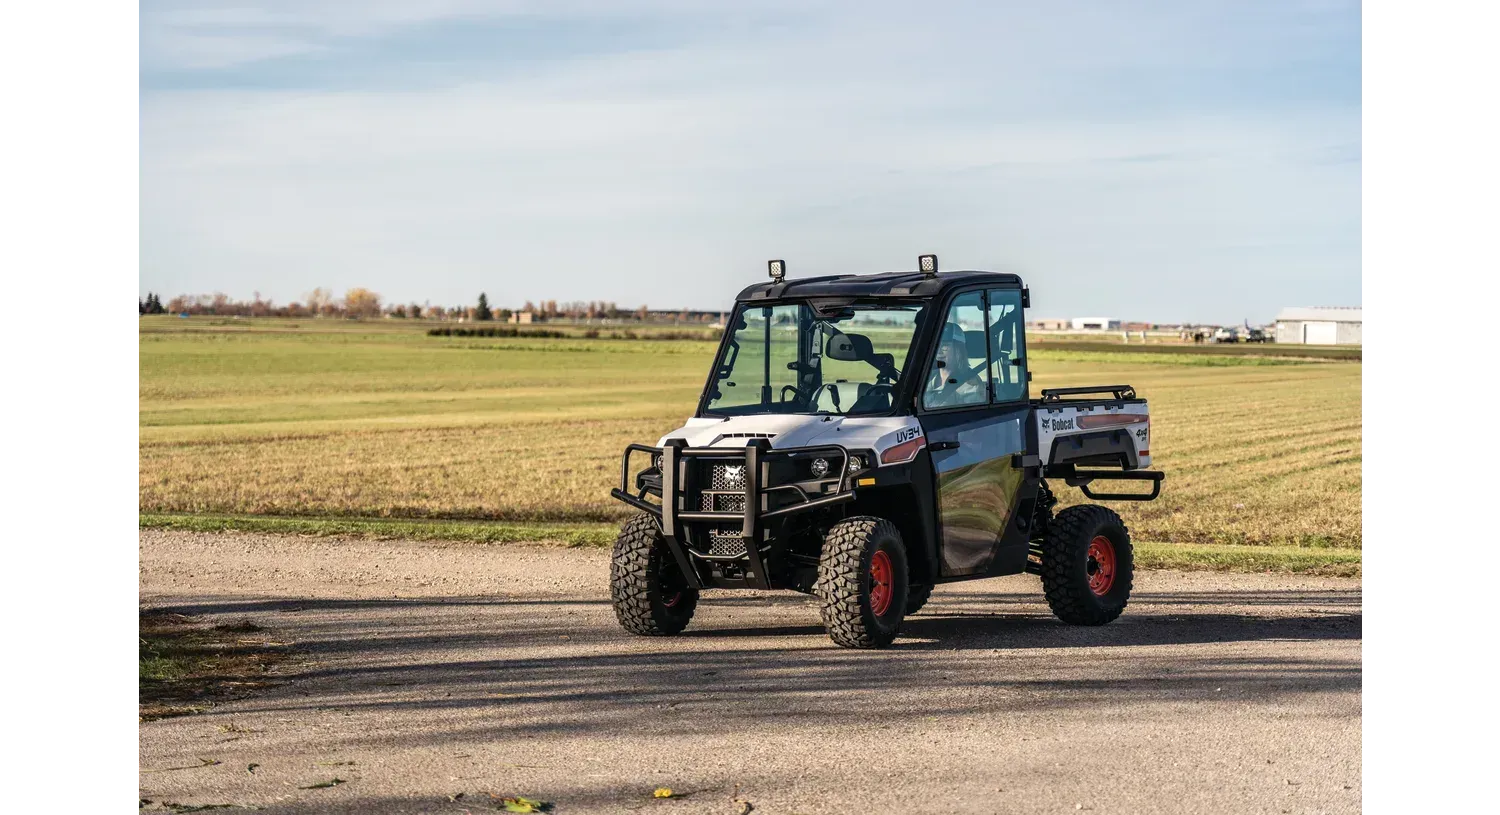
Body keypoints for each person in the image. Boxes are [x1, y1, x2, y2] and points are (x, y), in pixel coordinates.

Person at [925, 322, 983, 408]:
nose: (938, 351)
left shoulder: (970, 384)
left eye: (945, 346)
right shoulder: (927, 378)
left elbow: (972, 418)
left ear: (958, 350)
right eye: (936, 345)